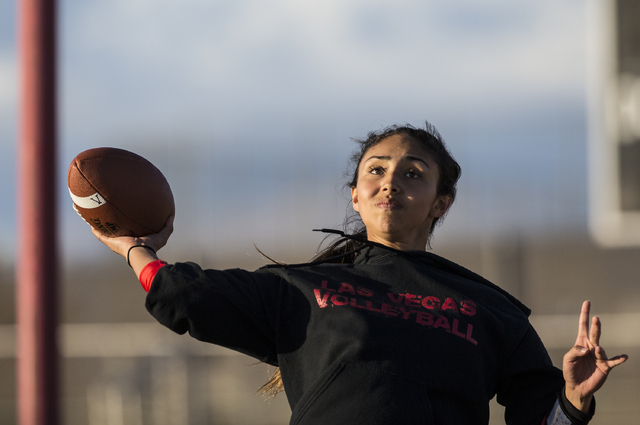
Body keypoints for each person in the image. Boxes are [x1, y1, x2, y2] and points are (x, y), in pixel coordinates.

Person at [93, 122, 628, 424]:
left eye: (412, 173)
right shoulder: (302, 290)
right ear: (355, 193)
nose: (391, 181)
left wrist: (574, 400)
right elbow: (184, 296)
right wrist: (134, 248)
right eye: (376, 170)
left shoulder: (491, 310)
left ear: (442, 202)